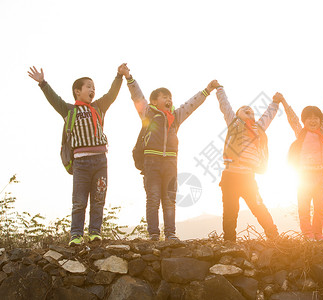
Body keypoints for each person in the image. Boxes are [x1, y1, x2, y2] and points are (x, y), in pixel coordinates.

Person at [28, 64, 128, 246]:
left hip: (100, 162)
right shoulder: (69, 110)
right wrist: (43, 83)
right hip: (81, 164)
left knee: (98, 199)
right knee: (79, 201)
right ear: (77, 91)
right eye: (88, 86)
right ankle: (76, 235)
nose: (93, 90)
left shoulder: (99, 107)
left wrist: (118, 76)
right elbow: (54, 99)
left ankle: (95, 233)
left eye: (94, 87)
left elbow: (112, 94)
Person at [123, 66, 217, 242]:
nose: (168, 99)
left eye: (170, 97)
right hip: (152, 161)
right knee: (153, 198)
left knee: (169, 199)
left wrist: (207, 90)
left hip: (171, 163)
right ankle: (153, 234)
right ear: (154, 101)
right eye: (164, 97)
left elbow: (191, 104)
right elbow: (137, 96)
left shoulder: (175, 116)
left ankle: (170, 233)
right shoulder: (148, 113)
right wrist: (129, 77)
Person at [215, 82, 280, 242]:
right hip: (230, 177)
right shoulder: (233, 123)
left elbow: (268, 115)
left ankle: (274, 235)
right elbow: (225, 106)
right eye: (245, 110)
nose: (249, 112)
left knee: (258, 206)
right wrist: (219, 89)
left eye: (251, 112)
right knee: (230, 211)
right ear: (237, 115)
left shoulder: (258, 128)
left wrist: (275, 102)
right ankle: (229, 241)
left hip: (248, 178)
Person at [276, 90, 323, 241]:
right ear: (304, 121)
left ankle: (318, 233)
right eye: (309, 118)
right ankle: (307, 234)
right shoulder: (301, 132)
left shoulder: (322, 131)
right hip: (303, 176)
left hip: (320, 175)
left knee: (320, 208)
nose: (313, 120)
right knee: (304, 207)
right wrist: (283, 101)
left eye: (316, 118)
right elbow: (292, 118)